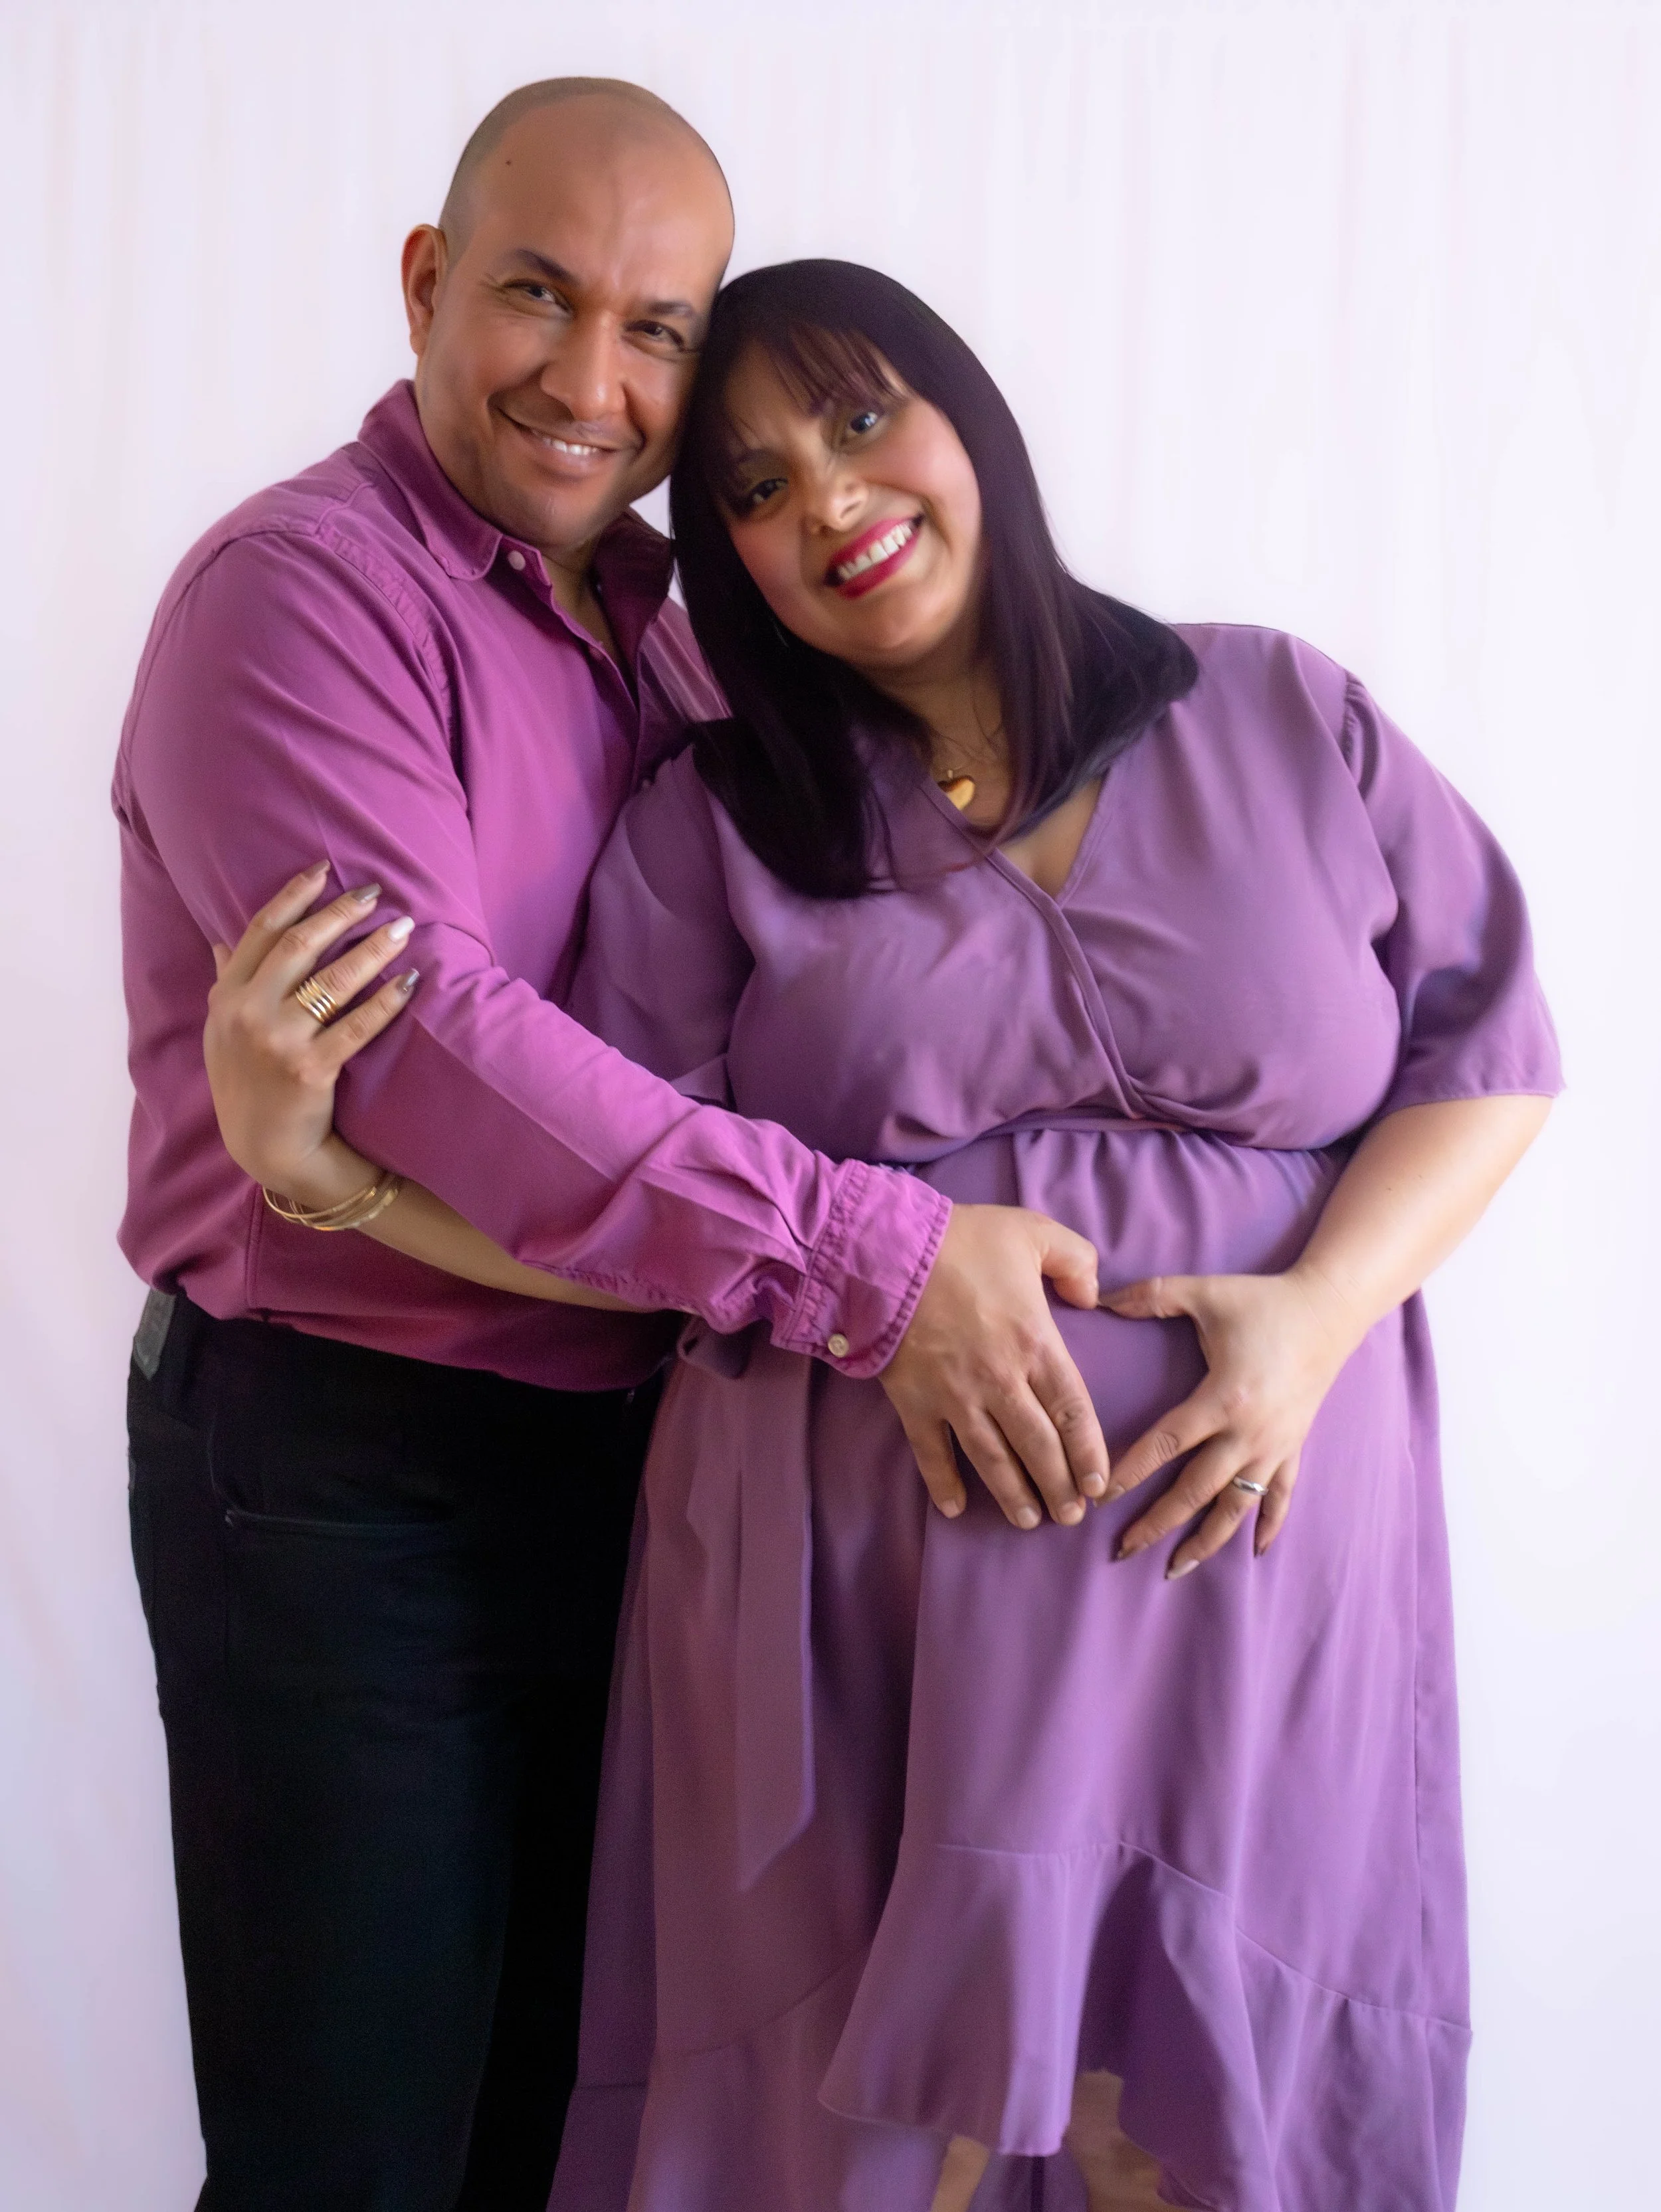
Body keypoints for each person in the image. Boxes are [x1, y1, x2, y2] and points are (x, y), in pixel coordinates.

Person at [202, 260, 1559, 2211]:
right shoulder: (709, 827)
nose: (828, 501)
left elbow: (1489, 1047)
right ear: (723, 558)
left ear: (964, 419)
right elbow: (620, 1214)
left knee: (1195, 2134)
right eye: (753, 488)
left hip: (1256, 1591)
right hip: (867, 1629)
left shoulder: (1278, 706)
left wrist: (1316, 1318)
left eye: (859, 421)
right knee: (878, 2155)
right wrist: (320, 1171)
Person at [114, 89, 1114, 2212]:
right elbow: (441, 1054)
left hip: (653, 1454)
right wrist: (874, 1264)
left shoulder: (679, 627)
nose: (590, 382)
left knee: (576, 2138)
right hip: (351, 1473)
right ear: (423, 283)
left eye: (655, 330)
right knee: (354, 2164)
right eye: (536, 297)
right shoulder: (296, 600)